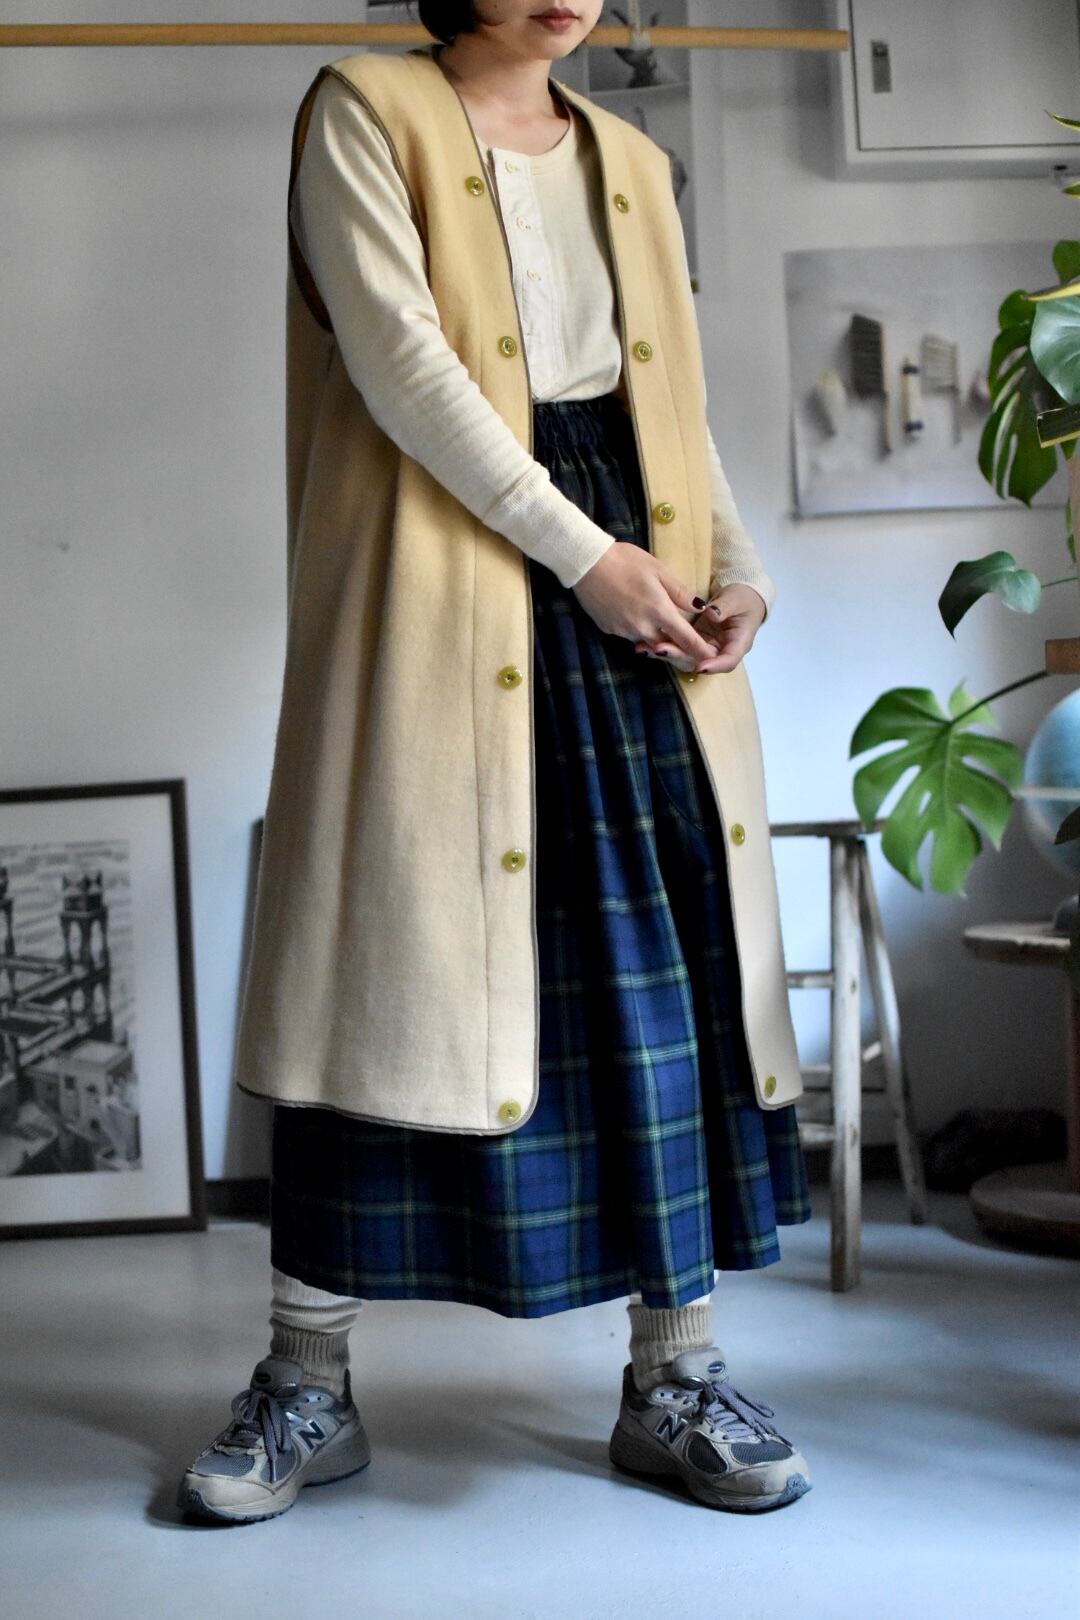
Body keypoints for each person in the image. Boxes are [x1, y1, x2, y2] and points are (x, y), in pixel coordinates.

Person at [177, 0, 812, 1525]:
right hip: (462, 566)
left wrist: (734, 566)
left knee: (657, 974)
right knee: (385, 957)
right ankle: (306, 1381)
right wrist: (584, 556)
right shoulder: (364, 107)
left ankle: (675, 1376)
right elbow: (402, 364)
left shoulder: (636, 161)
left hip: (633, 573)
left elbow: (672, 402)